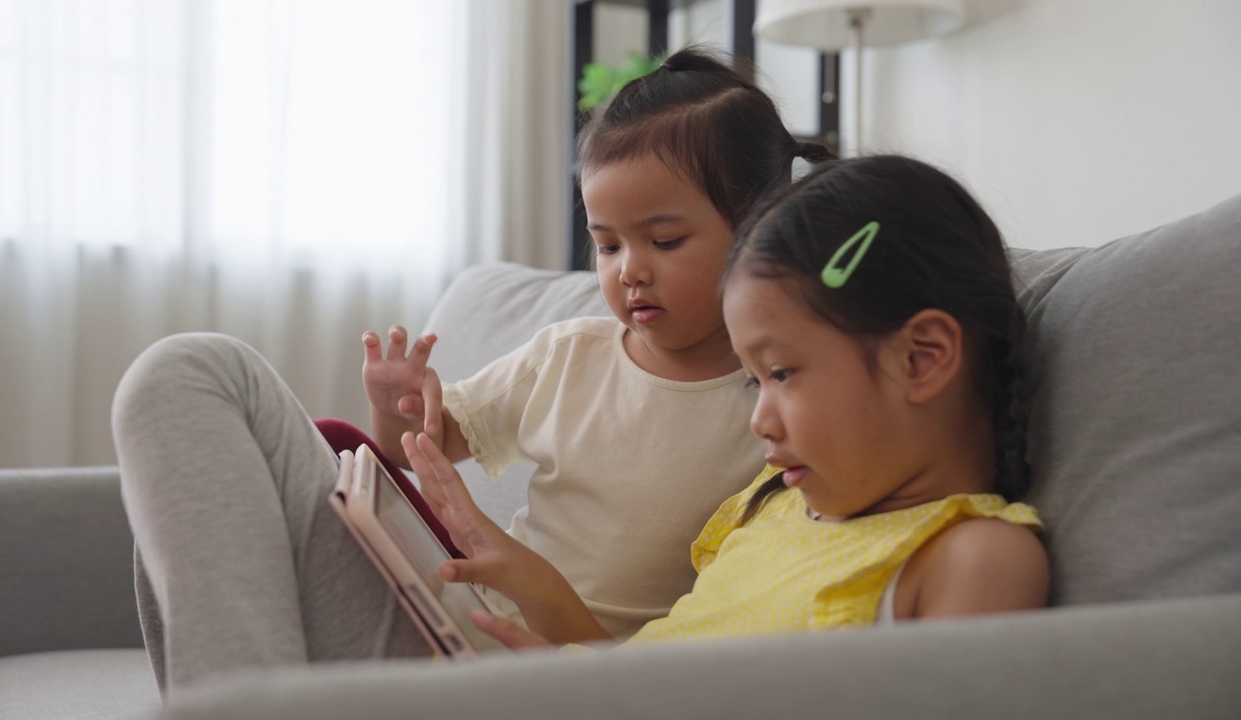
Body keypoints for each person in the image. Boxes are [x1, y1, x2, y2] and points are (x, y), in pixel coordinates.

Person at [113, 46, 825, 695]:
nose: (629, 271)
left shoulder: (776, 415)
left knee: (191, 374)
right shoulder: (568, 353)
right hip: (459, 609)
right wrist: (397, 411)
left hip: (535, 669)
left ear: (760, 225)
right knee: (198, 409)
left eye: (663, 240)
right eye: (606, 245)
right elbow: (417, 450)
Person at [398, 154, 1051, 650]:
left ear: (923, 358)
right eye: (754, 380)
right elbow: (638, 677)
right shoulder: (775, 502)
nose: (758, 418)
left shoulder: (974, 558)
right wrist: (527, 580)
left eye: (783, 373)